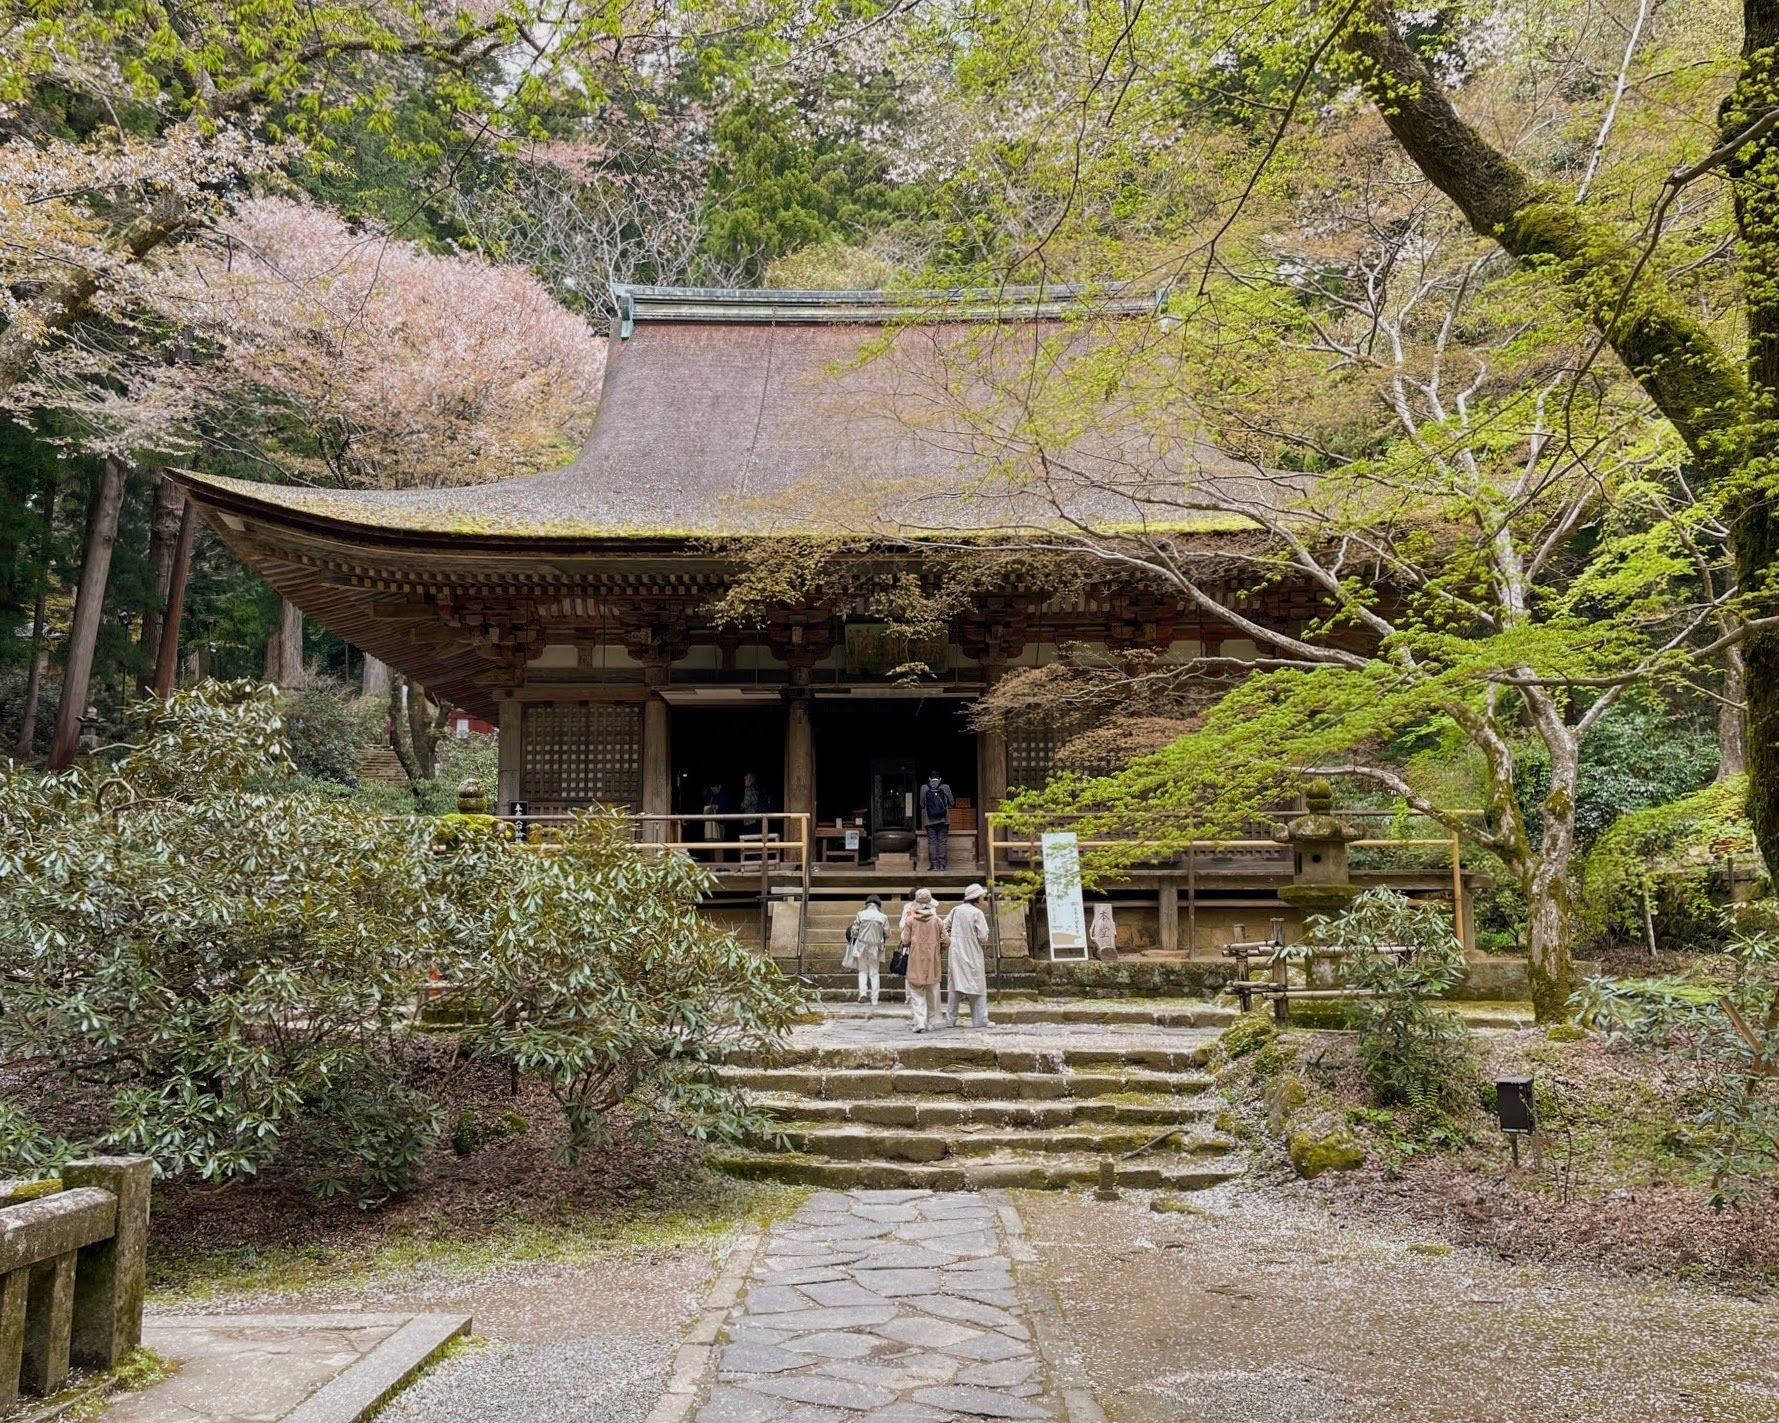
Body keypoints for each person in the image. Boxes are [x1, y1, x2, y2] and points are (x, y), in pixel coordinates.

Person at [900, 888, 949, 1033]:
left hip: (915, 959)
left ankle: (920, 1022)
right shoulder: (937, 921)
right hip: (933, 960)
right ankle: (933, 1020)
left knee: (916, 992)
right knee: (932, 991)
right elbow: (946, 940)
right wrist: (938, 951)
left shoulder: (910, 920)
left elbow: (905, 940)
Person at [946, 883, 994, 1028]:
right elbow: (983, 936)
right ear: (977, 898)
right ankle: (980, 1019)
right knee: (977, 984)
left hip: (956, 951)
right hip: (972, 951)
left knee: (955, 985)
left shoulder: (956, 910)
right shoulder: (977, 913)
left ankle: (950, 1019)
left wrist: (952, 935)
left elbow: (944, 925)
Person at [844, 894, 890, 1005]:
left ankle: (863, 993)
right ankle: (875, 999)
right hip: (876, 947)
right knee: (874, 973)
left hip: (861, 946)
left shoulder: (860, 914)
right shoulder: (883, 917)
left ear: (867, 903)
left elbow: (854, 931)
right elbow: (887, 933)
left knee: (863, 971)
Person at [920, 772, 955, 871]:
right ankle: (942, 865)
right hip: (943, 819)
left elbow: (922, 804)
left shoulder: (924, 788)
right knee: (942, 841)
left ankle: (934, 865)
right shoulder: (945, 787)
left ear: (929, 778)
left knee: (932, 842)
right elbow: (952, 802)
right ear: (940, 779)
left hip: (929, 820)